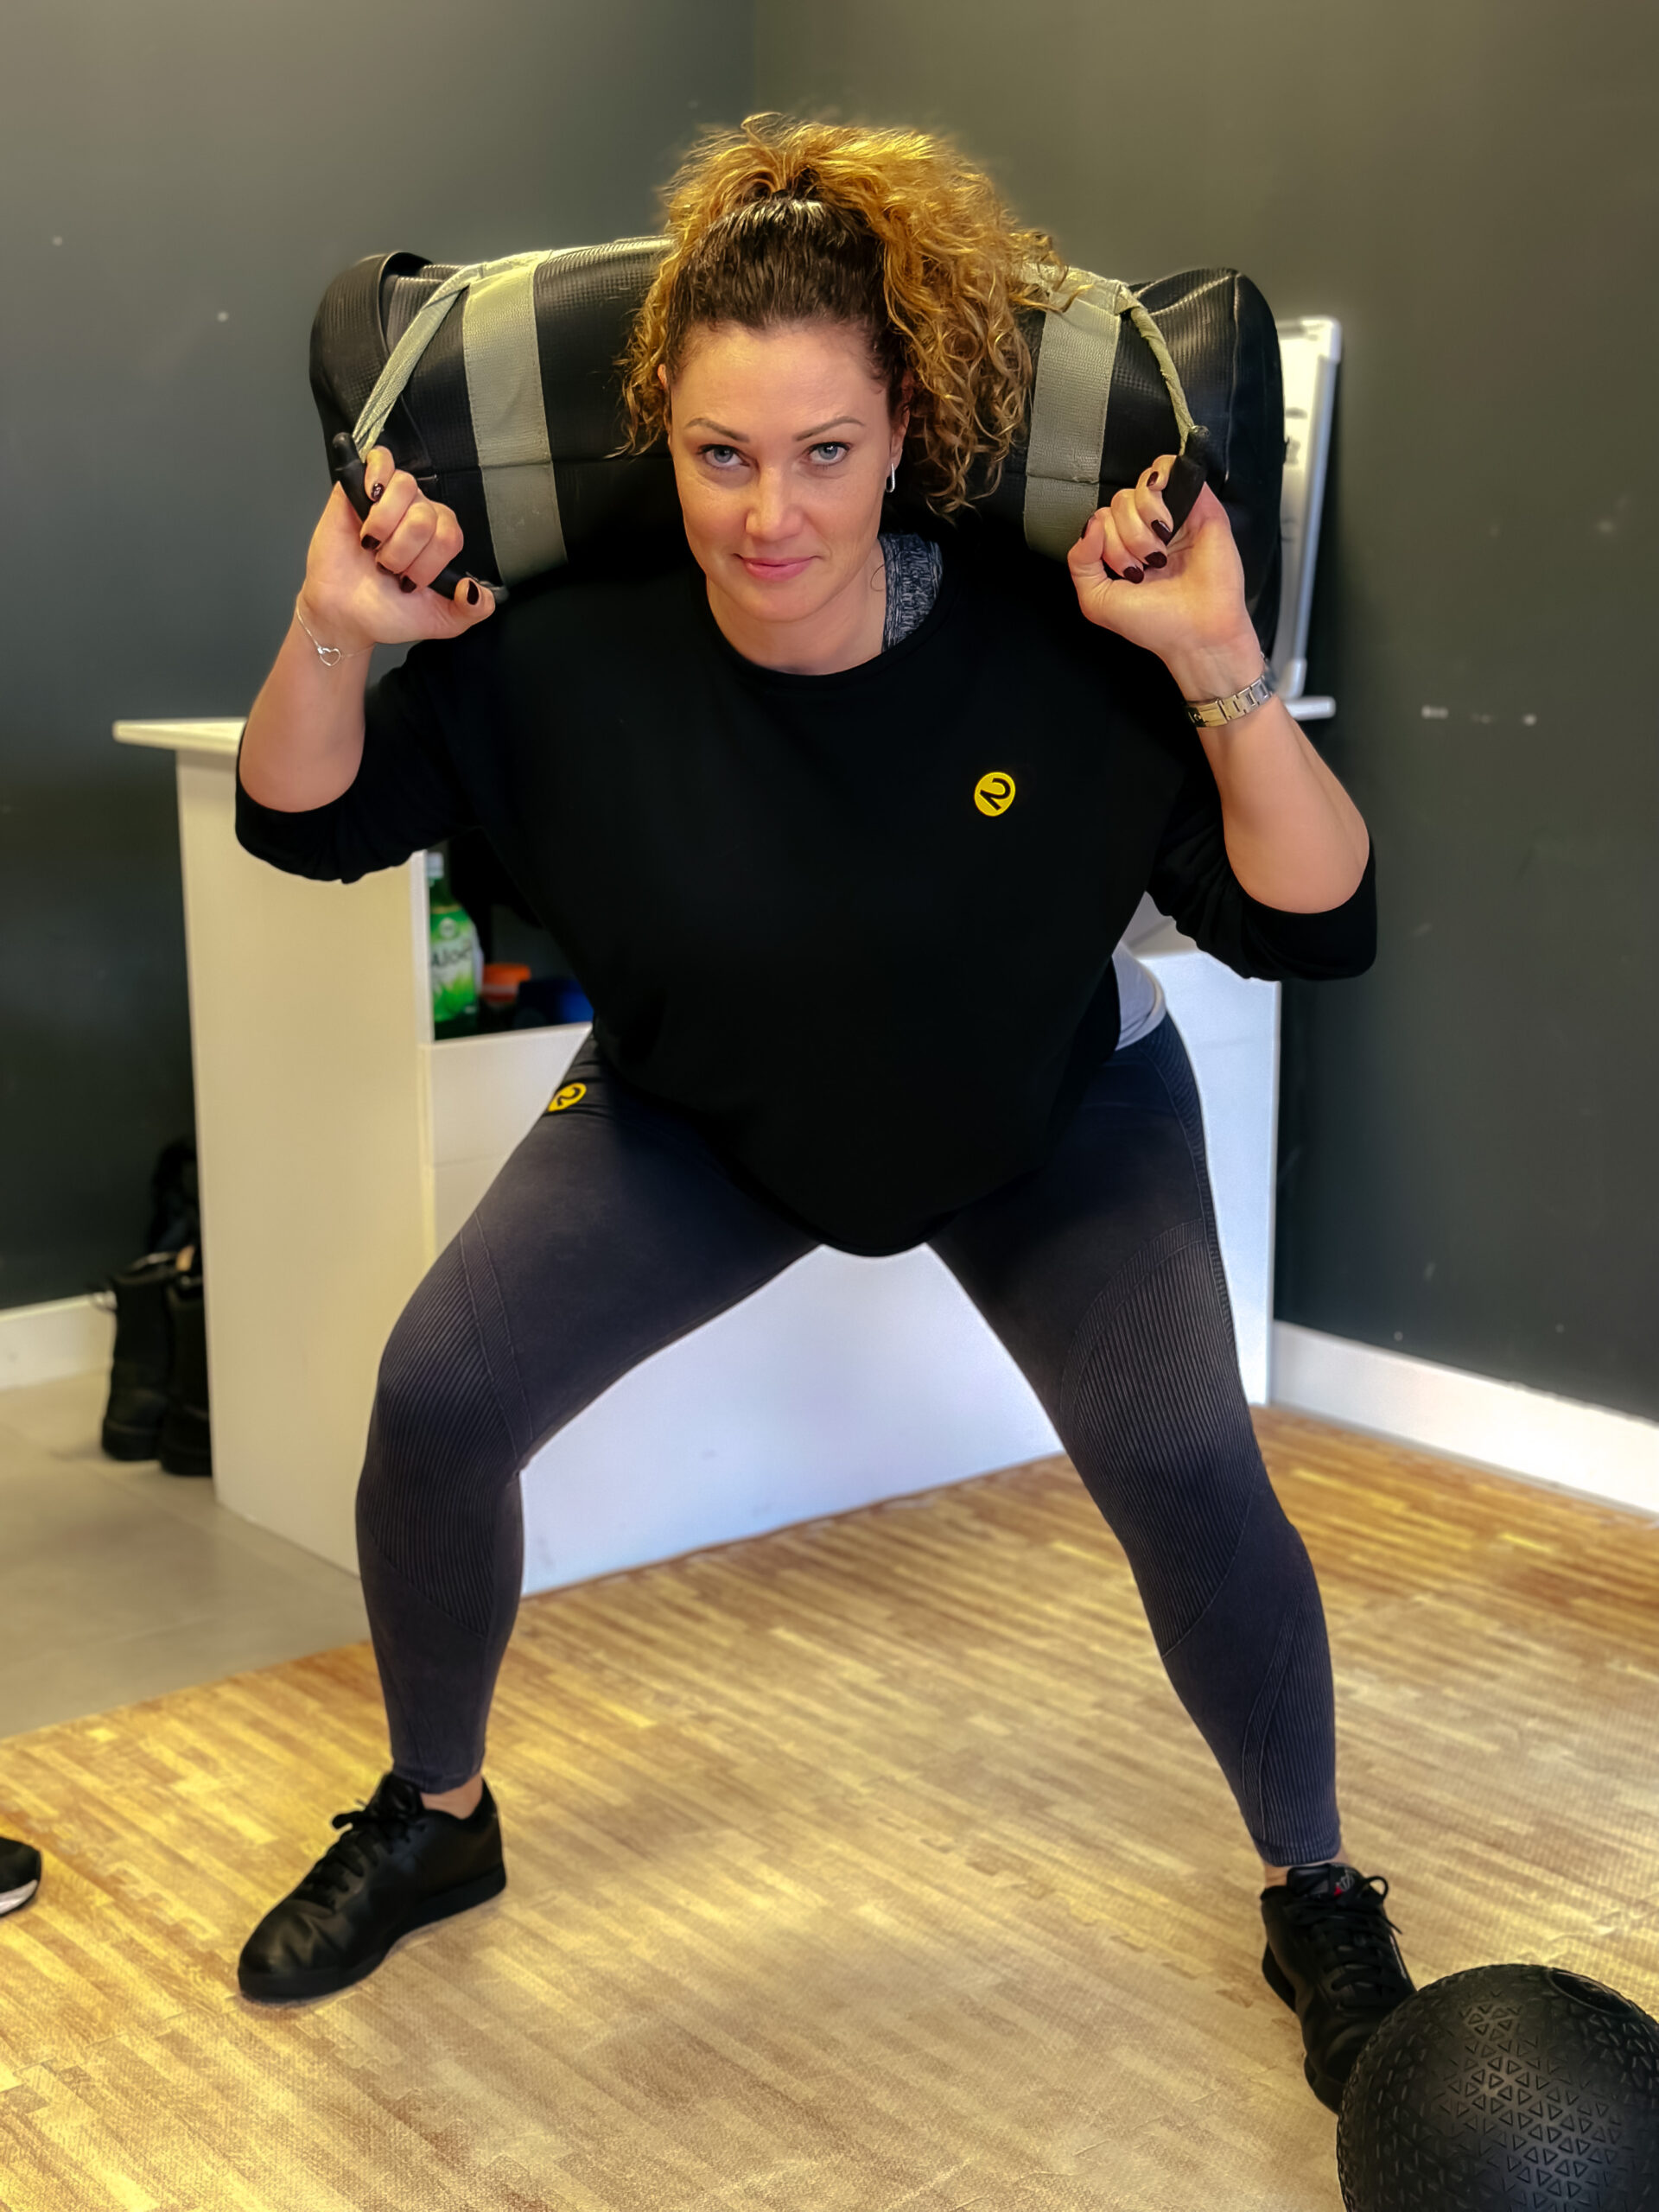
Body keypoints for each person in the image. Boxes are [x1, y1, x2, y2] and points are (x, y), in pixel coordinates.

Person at [231, 115, 1409, 2107]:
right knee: (436, 1396)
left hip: (1045, 1112)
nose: (770, 511)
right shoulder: (561, 658)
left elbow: (1320, 921)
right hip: (702, 1115)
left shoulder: (1063, 649)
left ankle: (1316, 1882)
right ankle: (436, 1811)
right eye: (721, 454)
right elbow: (304, 817)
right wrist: (334, 624)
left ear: (905, 433)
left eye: (825, 451)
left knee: (1186, 1453)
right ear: (658, 437)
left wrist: (1219, 662)